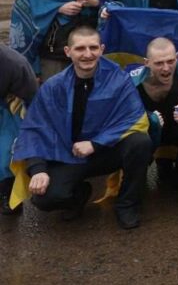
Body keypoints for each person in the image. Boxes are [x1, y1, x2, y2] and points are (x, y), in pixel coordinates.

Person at [12, 26, 150, 229]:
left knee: (140, 142)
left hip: (107, 151)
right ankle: (78, 196)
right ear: (68, 52)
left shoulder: (119, 79)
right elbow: (35, 128)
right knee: (44, 198)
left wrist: (96, 143)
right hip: (68, 155)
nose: (87, 54)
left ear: (102, 49)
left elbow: (133, 117)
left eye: (93, 47)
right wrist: (38, 169)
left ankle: (127, 204)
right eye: (80, 48)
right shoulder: (53, 87)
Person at [129, 37, 178, 193]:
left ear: (177, 58)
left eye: (170, 61)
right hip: (147, 134)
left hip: (177, 130)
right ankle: (136, 177)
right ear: (146, 63)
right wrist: (148, 118)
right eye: (159, 63)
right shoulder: (132, 82)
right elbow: (123, 116)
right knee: (133, 139)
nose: (166, 68)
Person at [0, 45, 38, 214]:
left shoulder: (14, 63)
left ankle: (8, 193)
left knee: (6, 151)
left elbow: (32, 97)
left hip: (8, 106)